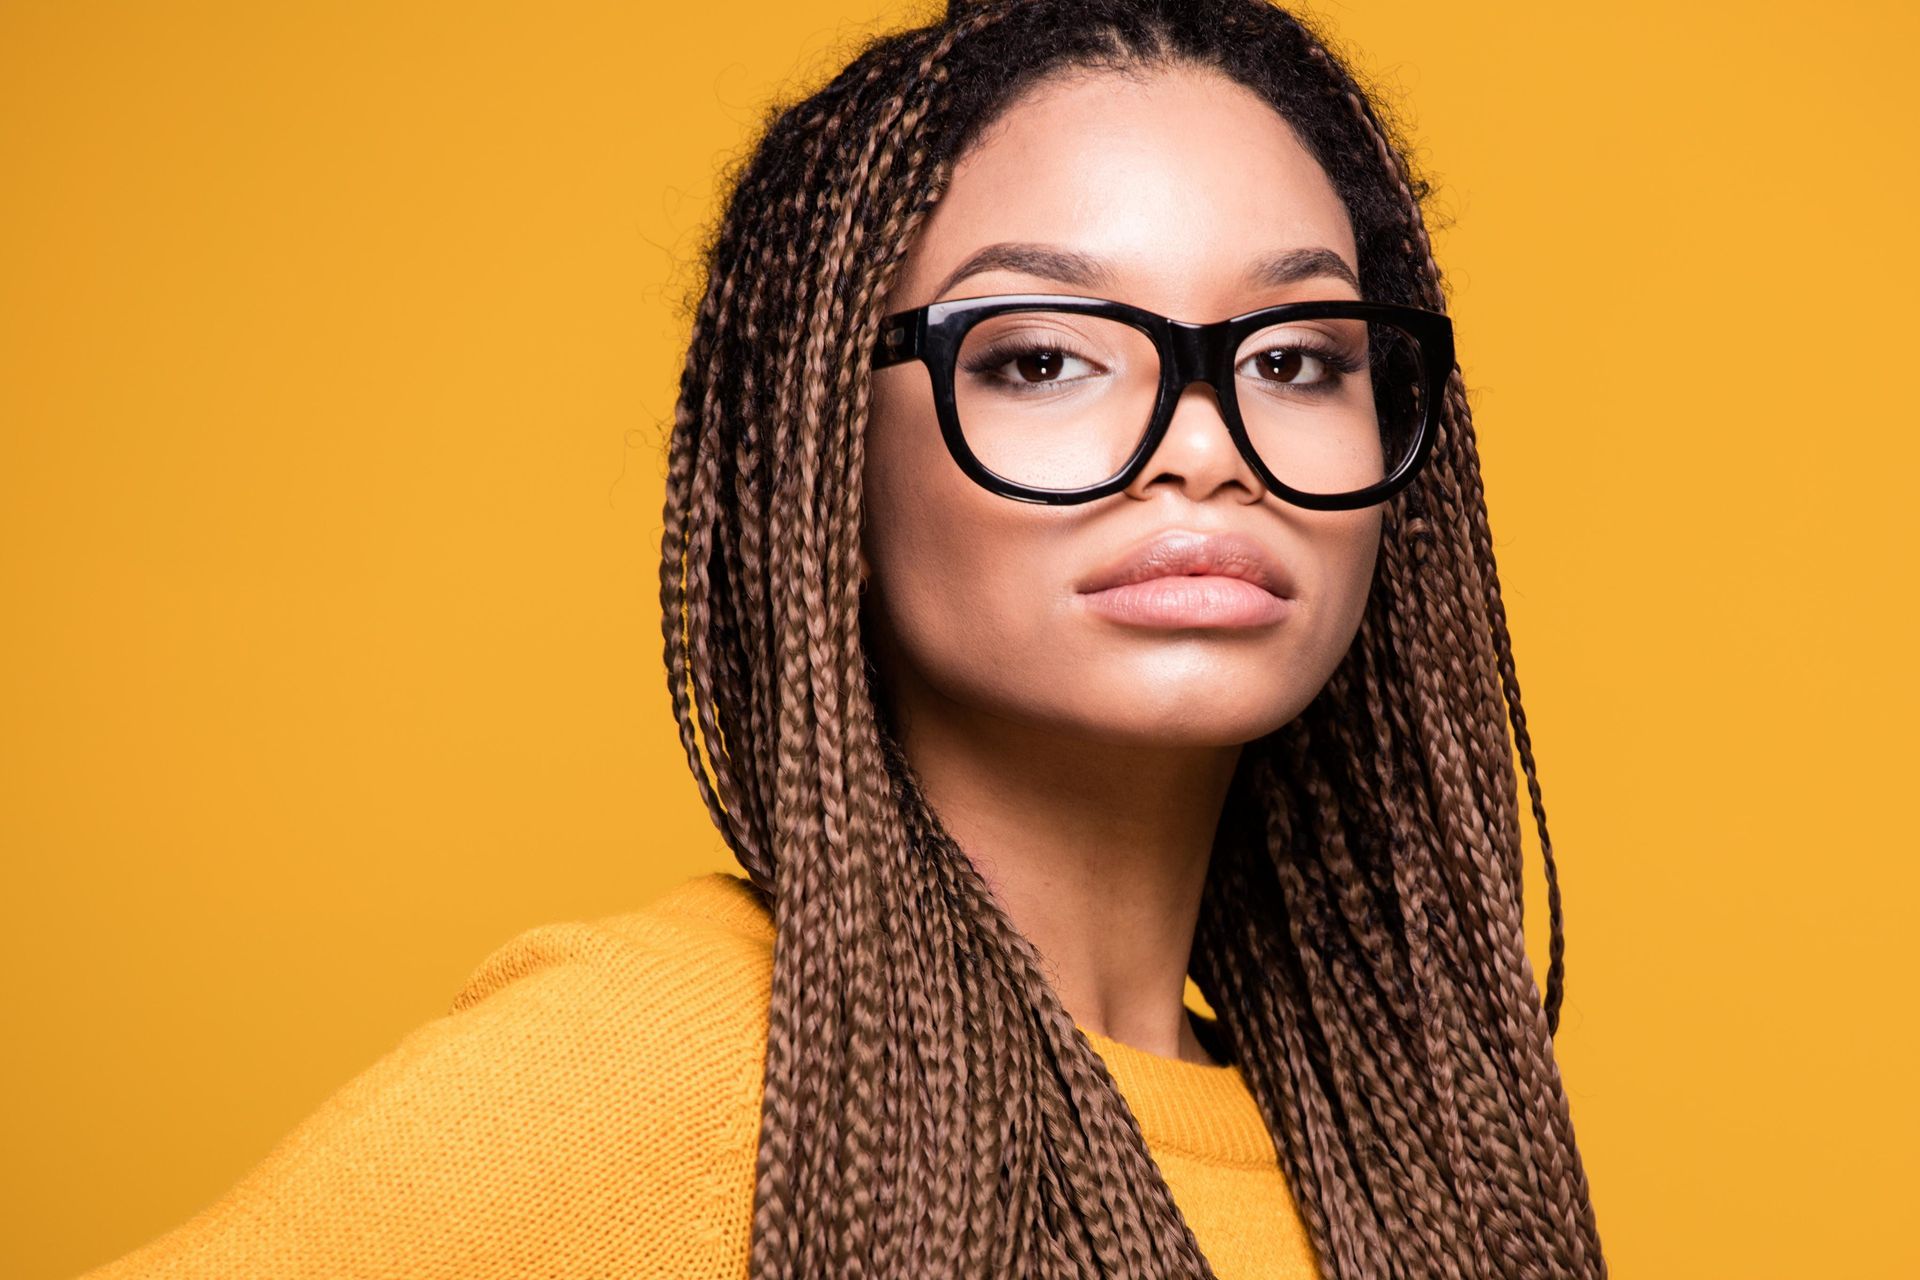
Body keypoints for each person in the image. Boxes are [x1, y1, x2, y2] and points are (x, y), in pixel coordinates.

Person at [77, 1, 1606, 1277]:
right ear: (822, 457)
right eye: (1042, 356)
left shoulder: (1418, 1158)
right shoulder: (661, 1078)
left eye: (1293, 355)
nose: (1203, 443)